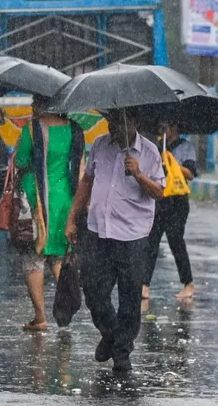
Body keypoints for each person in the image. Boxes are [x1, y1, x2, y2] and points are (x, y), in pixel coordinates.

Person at [66, 108, 165, 373]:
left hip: (133, 235)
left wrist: (140, 174)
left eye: (118, 123)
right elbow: (86, 183)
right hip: (99, 230)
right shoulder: (100, 144)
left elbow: (159, 192)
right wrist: (71, 218)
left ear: (134, 121)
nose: (112, 128)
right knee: (94, 291)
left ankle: (122, 352)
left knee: (130, 297)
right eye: (110, 122)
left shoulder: (149, 152)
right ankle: (110, 334)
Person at [14, 95, 85, 332]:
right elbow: (80, 166)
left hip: (38, 199)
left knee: (34, 258)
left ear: (46, 104)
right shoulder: (75, 130)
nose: (33, 106)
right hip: (66, 199)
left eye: (36, 102)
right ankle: (65, 308)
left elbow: (21, 160)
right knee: (57, 256)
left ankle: (40, 316)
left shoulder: (33, 130)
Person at [143, 120, 197, 301]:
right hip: (159, 200)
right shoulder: (156, 146)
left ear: (174, 128)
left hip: (178, 202)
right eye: (162, 128)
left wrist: (172, 161)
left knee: (176, 241)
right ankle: (145, 285)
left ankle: (188, 283)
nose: (163, 131)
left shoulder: (185, 147)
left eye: (166, 127)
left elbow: (190, 174)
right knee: (152, 243)